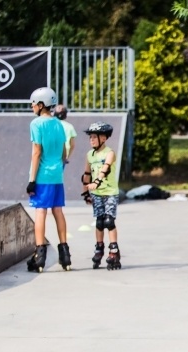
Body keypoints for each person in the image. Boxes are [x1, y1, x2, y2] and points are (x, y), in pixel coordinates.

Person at [25, 87, 71, 273]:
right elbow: (64, 152)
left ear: (41, 104)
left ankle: (40, 256)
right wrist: (58, 167)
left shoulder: (36, 124)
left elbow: (36, 152)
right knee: (58, 211)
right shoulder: (59, 125)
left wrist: (31, 179)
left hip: (42, 175)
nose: (32, 107)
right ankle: (65, 254)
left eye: (33, 103)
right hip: (57, 175)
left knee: (41, 212)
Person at [81, 121, 121, 270]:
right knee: (99, 222)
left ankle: (114, 250)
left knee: (109, 221)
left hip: (110, 192)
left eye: (94, 137)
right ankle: (99, 248)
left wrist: (96, 182)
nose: (91, 139)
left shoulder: (110, 153)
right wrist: (86, 192)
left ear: (103, 138)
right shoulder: (90, 155)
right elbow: (86, 174)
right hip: (97, 194)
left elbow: (105, 169)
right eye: (90, 137)